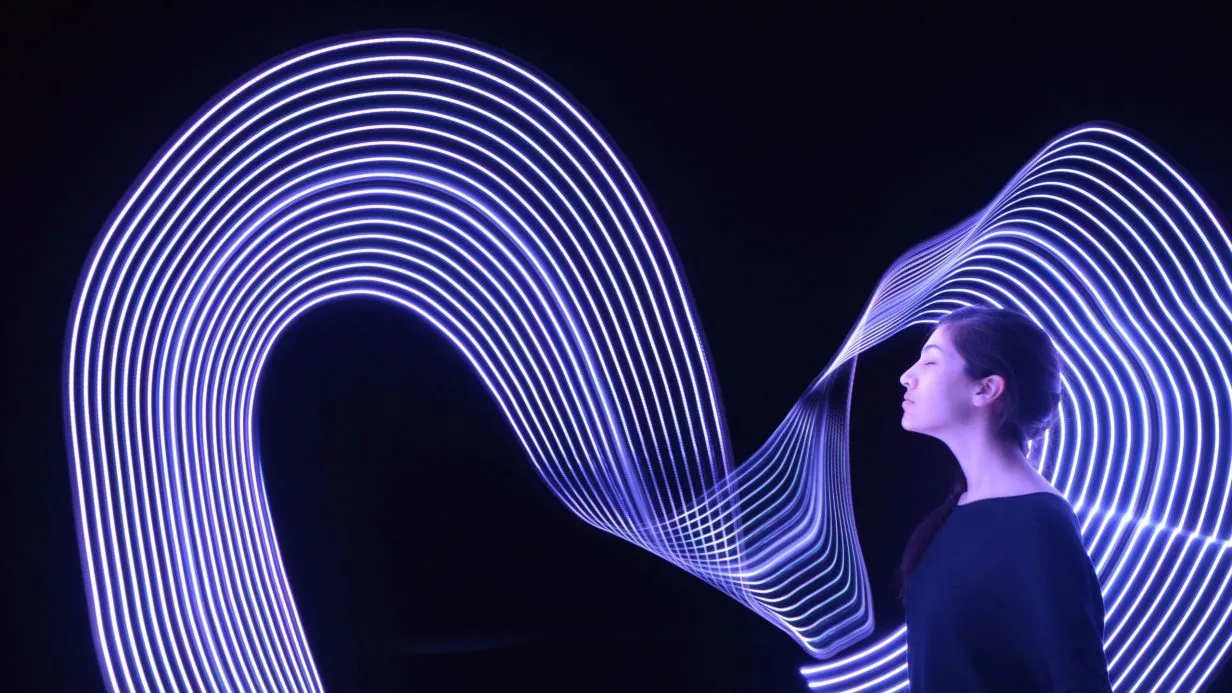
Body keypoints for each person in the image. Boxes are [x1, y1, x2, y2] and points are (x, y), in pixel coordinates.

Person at [897, 305, 1112, 692]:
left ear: (986, 389)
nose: (906, 377)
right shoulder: (953, 515)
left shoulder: (1038, 526)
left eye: (930, 363)